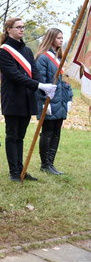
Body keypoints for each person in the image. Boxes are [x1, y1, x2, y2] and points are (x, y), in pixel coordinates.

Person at [0, 17, 56, 182]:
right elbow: (14, 75)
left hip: (27, 99)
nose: (22, 30)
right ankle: (13, 172)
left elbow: (34, 71)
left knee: (20, 137)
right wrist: (38, 85)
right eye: (18, 27)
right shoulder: (3, 51)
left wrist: (44, 88)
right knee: (12, 135)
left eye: (23, 27)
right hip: (13, 99)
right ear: (8, 29)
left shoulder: (27, 51)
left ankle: (21, 169)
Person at [35, 28, 73, 175]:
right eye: (58, 38)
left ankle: (51, 163)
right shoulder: (43, 58)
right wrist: (45, 102)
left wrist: (69, 98)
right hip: (50, 102)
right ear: (50, 39)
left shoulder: (59, 58)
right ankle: (45, 164)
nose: (61, 40)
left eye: (62, 38)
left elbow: (66, 81)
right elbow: (41, 82)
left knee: (56, 132)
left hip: (61, 101)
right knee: (47, 132)